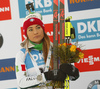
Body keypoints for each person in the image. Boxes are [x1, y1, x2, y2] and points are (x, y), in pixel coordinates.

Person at [15, 12, 79, 89]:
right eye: (30, 29)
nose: (35, 32)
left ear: (43, 29)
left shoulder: (57, 50)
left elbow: (70, 76)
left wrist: (73, 72)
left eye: (38, 27)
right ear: (26, 33)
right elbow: (21, 82)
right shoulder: (22, 54)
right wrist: (45, 76)